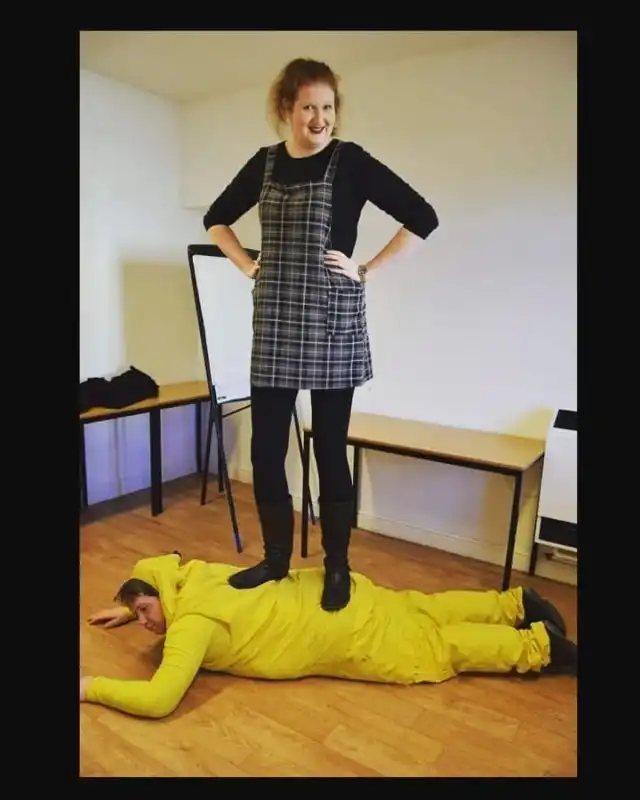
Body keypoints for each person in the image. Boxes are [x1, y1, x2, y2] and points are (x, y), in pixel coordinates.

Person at [201, 58, 439, 612]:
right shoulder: (263, 164)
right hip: (276, 322)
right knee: (265, 451)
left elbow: (422, 215)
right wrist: (246, 264)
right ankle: (275, 560)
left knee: (330, 449)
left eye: (328, 107)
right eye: (308, 106)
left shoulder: (349, 161)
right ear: (286, 108)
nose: (320, 118)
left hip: (333, 322)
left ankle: (337, 567)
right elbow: (216, 218)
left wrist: (365, 268)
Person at [80, 553, 577, 720]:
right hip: (332, 589)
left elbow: (159, 700)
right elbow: (161, 573)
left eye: (145, 611)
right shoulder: (192, 575)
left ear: (161, 596)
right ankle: (515, 604)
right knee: (419, 607)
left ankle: (541, 647)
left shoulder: (192, 625)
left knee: (431, 646)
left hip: (336, 630)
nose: (147, 622)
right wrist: (131, 609)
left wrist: (90, 688)